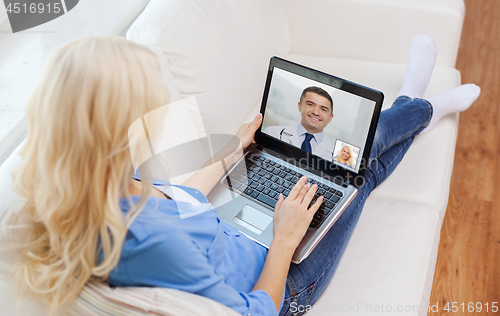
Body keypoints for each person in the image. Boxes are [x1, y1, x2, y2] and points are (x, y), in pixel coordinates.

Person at [12, 35, 480, 316]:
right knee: (355, 172)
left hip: (235, 229)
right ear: (119, 129)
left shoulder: (86, 182)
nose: (160, 116)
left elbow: (180, 203)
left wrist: (234, 149)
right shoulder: (148, 245)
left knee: (344, 167)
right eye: (150, 109)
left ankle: (416, 104)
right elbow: (258, 312)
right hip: (283, 280)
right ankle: (421, 105)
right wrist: (285, 237)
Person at [263, 86, 336, 160]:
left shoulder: (336, 156)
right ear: (300, 107)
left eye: (323, 109)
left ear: (330, 118)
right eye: (310, 104)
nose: (316, 112)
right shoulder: (272, 133)